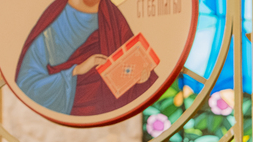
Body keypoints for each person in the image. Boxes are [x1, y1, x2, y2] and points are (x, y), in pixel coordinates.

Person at [14, 0, 157, 117]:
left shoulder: (113, 17)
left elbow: (130, 70)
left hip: (111, 123)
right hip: (66, 122)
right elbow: (27, 85)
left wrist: (139, 79)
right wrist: (75, 71)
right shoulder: (53, 21)